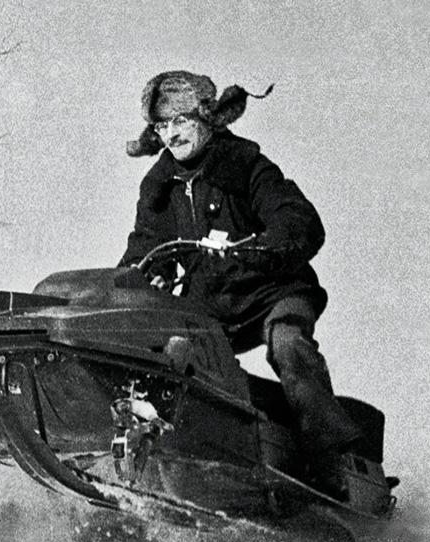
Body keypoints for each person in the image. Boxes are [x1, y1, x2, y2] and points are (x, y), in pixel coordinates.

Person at [118, 70, 361, 500]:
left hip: (272, 291)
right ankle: (172, 461)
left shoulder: (246, 166)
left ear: (206, 119)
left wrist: (262, 248)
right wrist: (136, 280)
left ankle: (329, 464)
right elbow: (144, 247)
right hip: (210, 303)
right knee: (165, 356)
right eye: (161, 126)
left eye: (180, 122)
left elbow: (298, 219)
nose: (171, 135)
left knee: (289, 344)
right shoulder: (158, 187)